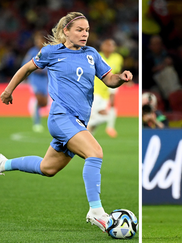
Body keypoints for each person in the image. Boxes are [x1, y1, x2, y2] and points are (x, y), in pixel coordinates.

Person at [0, 12, 132, 233]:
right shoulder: (51, 52)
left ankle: (4, 164)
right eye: (79, 30)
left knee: (47, 168)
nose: (85, 34)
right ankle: (97, 212)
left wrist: (120, 78)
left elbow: (109, 79)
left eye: (87, 30)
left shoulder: (92, 54)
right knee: (95, 153)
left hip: (78, 121)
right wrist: (8, 91)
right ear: (66, 31)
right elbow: (26, 68)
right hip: (61, 117)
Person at [87, 39, 124, 138]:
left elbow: (116, 72)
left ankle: (88, 136)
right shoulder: (96, 56)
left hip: (106, 92)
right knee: (101, 116)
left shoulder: (118, 58)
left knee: (100, 117)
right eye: (107, 45)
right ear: (102, 46)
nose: (110, 47)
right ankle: (87, 135)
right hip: (94, 91)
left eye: (112, 45)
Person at [21, 31, 49, 132]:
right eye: (36, 40)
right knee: (39, 99)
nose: (38, 42)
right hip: (35, 80)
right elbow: (24, 64)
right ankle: (37, 123)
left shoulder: (46, 52)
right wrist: (36, 70)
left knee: (44, 103)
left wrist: (46, 71)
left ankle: (35, 107)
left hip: (44, 80)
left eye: (40, 40)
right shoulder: (32, 52)